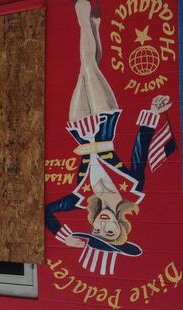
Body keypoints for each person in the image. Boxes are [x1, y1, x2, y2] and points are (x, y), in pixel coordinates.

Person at [44, 0, 176, 275]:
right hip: (104, 126)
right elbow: (139, 153)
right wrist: (151, 113)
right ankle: (83, 18)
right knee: (89, 65)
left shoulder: (81, 199)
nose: (102, 225)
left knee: (87, 68)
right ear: (121, 228)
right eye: (110, 231)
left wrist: (62, 235)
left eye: (97, 230)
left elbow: (45, 211)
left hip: (80, 131)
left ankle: (94, 25)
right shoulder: (132, 193)